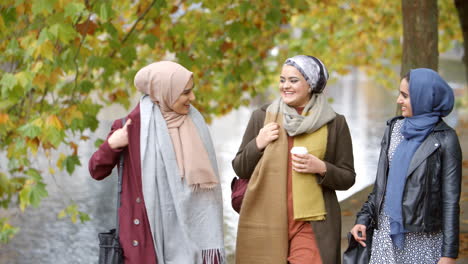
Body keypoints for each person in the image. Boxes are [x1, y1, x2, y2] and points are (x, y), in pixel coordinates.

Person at [89, 61, 225, 264]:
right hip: (144, 239)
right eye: (185, 92)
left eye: (191, 91)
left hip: (193, 236)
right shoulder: (129, 127)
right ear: (164, 92)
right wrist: (112, 144)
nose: (192, 98)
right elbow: (96, 170)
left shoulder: (195, 123)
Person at [232, 55, 356, 264]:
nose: (285, 86)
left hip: (312, 223)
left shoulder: (335, 124)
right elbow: (241, 168)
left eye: (293, 80)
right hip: (267, 222)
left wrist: (322, 168)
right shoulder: (262, 116)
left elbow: (347, 177)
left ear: (311, 84)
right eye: (282, 80)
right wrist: (259, 143)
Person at [350, 68, 462, 264]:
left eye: (405, 96)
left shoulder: (445, 138)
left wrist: (449, 253)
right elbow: (381, 185)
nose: (398, 100)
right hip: (385, 233)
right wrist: (363, 218)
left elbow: (450, 201)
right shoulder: (394, 129)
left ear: (423, 97)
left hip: (423, 240)